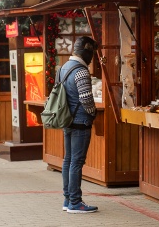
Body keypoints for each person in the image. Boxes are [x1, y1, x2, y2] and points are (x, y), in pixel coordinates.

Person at [60, 36, 99, 213]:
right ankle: (75, 202)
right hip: (80, 121)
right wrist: (92, 113)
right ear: (87, 53)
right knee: (76, 162)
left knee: (68, 160)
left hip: (67, 120)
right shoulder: (81, 71)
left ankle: (68, 199)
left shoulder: (64, 67)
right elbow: (86, 99)